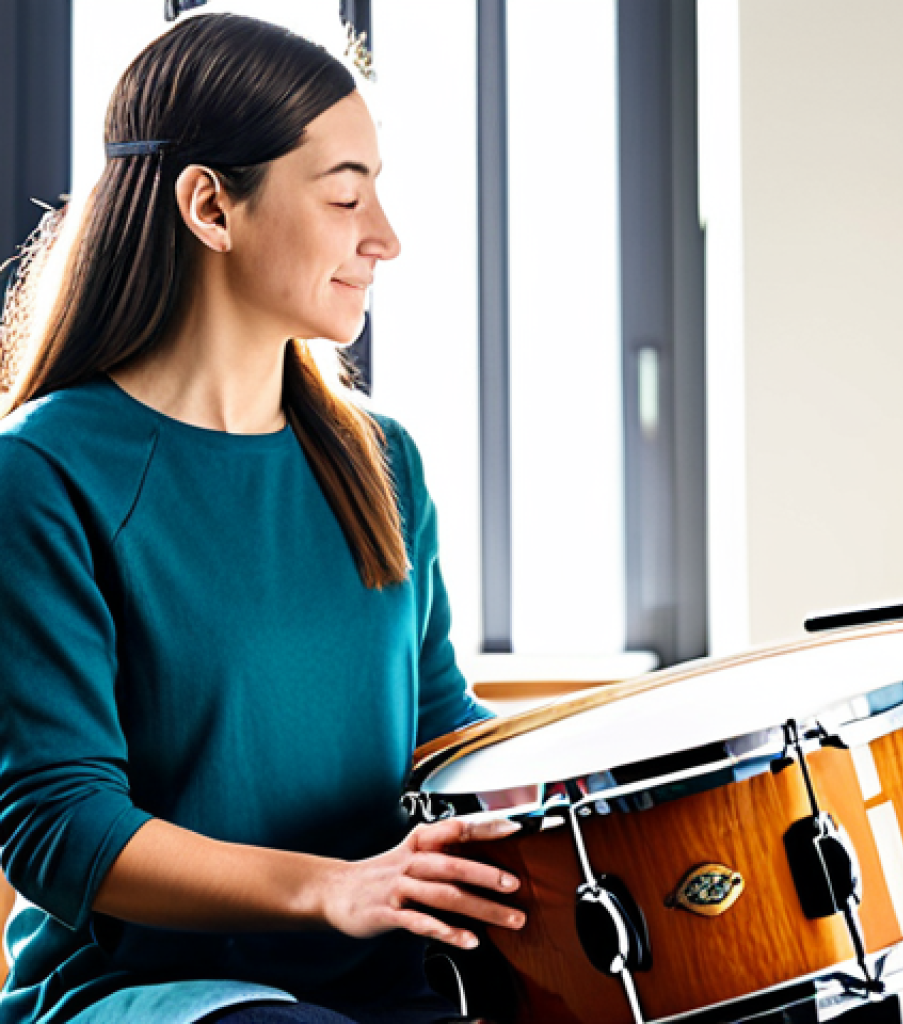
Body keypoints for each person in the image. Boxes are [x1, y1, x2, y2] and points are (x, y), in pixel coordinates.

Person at [0, 13, 525, 1024]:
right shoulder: (42, 474)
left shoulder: (382, 464)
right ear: (209, 205)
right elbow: (60, 826)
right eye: (344, 194)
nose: (385, 235)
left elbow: (438, 735)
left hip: (391, 981)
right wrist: (332, 887)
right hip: (155, 995)